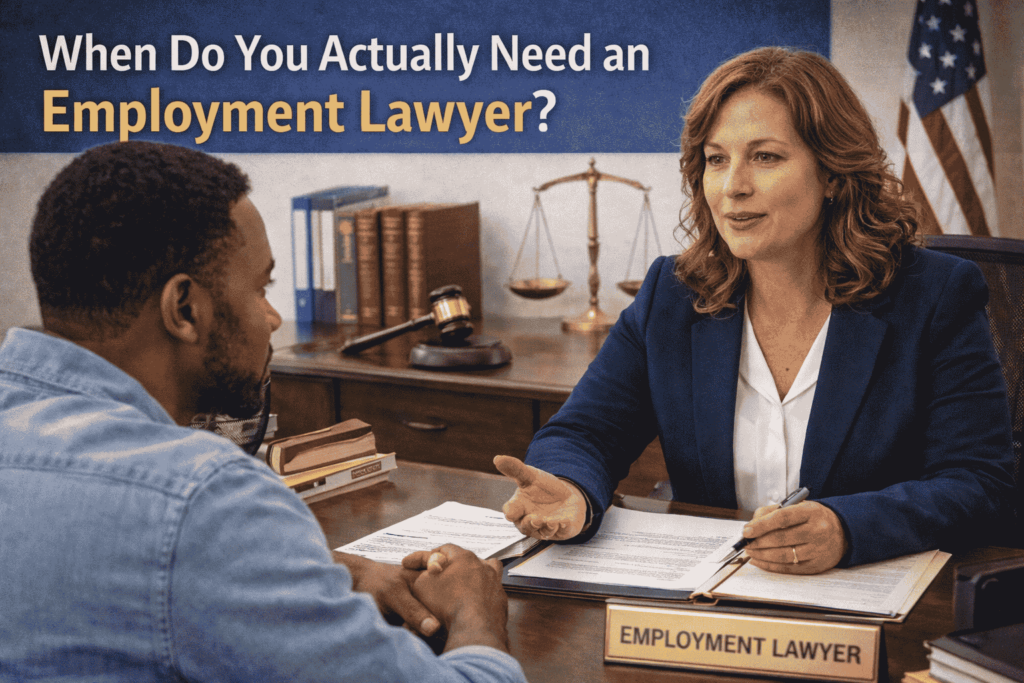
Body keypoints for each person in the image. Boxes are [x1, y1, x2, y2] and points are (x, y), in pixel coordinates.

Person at [0, 140, 526, 683]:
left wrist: (316, 576)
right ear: (184, 308)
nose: (273, 318)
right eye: (261, 287)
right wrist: (474, 615)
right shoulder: (200, 498)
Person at [496, 46, 1015, 575]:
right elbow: (584, 433)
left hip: (874, 600)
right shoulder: (671, 295)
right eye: (716, 159)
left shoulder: (934, 295)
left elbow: (978, 480)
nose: (732, 186)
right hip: (714, 599)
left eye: (765, 157)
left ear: (833, 174)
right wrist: (573, 489)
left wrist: (846, 527)